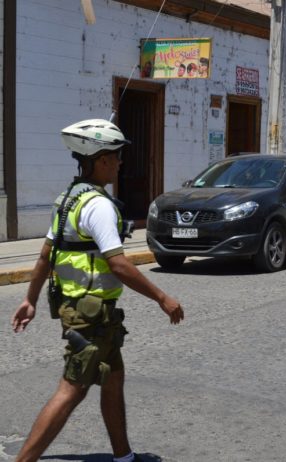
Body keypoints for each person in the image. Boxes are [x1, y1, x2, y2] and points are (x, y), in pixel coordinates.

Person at [11, 119, 185, 462]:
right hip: (89, 315)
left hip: (91, 312)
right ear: (101, 159)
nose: (120, 163)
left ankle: (124, 456)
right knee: (71, 391)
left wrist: (29, 300)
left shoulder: (68, 200)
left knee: (113, 379)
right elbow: (118, 264)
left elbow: (46, 255)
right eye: (116, 157)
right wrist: (163, 298)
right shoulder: (99, 205)